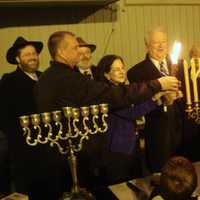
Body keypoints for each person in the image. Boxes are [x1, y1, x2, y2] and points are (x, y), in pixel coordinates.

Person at [34, 31, 179, 199]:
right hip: (79, 153)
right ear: (61, 52)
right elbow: (114, 97)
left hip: (60, 155)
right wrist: (157, 85)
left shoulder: (45, 79)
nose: (79, 52)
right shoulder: (68, 79)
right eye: (75, 48)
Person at [95, 54, 168, 185]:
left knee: (136, 184)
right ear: (106, 74)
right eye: (116, 69)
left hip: (130, 146)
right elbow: (132, 113)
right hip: (117, 150)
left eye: (122, 68)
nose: (122, 72)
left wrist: (160, 97)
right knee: (121, 186)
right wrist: (156, 97)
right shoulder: (108, 94)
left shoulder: (123, 91)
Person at [127, 26, 183, 173]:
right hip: (157, 131)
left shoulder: (180, 65)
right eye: (155, 43)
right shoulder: (136, 72)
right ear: (147, 45)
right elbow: (139, 104)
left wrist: (181, 97)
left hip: (181, 128)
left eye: (163, 42)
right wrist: (161, 99)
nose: (160, 46)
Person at [0, 36, 43, 199]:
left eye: (34, 53)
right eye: (27, 54)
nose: (32, 57)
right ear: (18, 59)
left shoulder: (44, 76)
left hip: (47, 144)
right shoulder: (9, 81)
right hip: (24, 148)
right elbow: (4, 116)